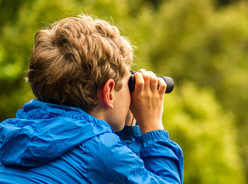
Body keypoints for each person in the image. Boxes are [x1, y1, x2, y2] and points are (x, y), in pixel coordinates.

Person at [0, 16, 183, 183]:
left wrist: (128, 134)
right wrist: (153, 128)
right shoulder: (100, 151)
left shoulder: (10, 134)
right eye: (129, 83)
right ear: (109, 91)